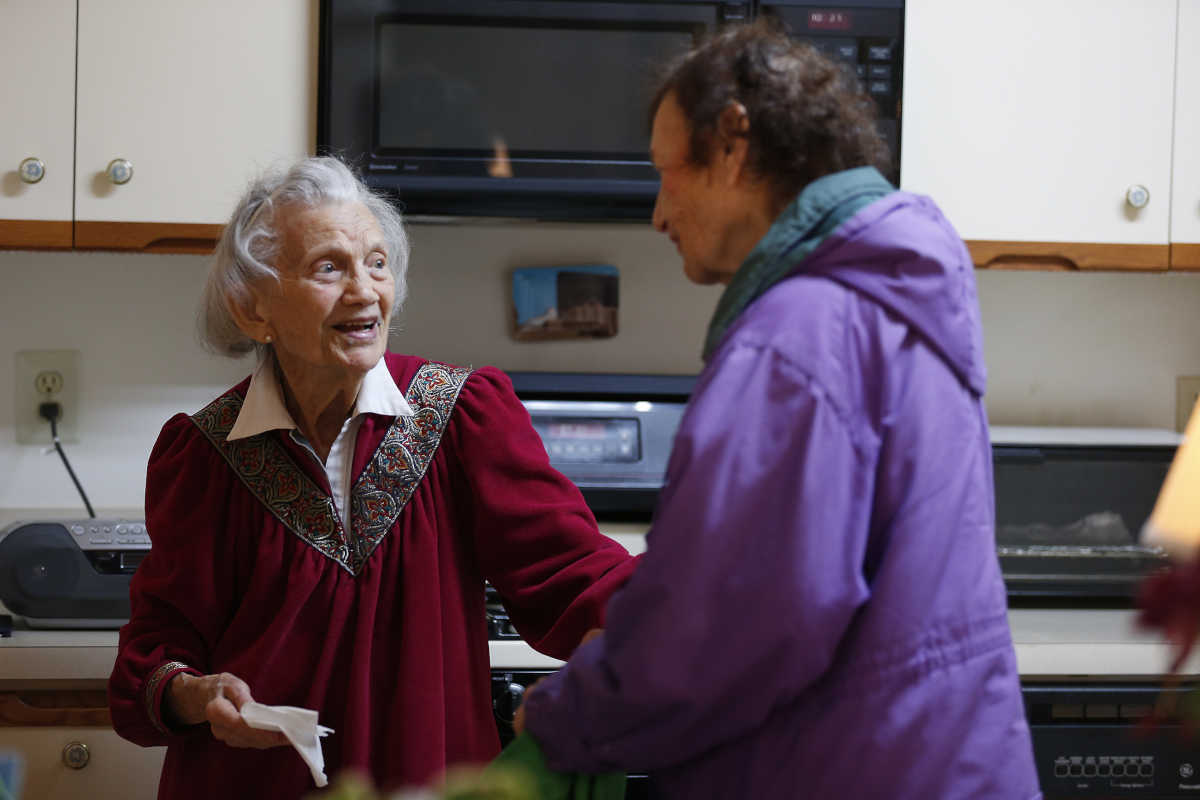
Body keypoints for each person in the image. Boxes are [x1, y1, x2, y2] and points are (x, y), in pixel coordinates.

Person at [515, 22, 1041, 799]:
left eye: (667, 173)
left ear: (732, 144)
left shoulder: (795, 341)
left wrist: (568, 712)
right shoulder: (897, 302)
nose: (657, 214)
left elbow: (719, 635)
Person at [107, 156, 637, 798]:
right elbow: (156, 652)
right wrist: (197, 693)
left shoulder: (461, 416)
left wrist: (694, 605)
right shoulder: (202, 454)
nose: (364, 291)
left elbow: (572, 573)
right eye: (328, 268)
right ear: (252, 308)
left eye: (377, 263)